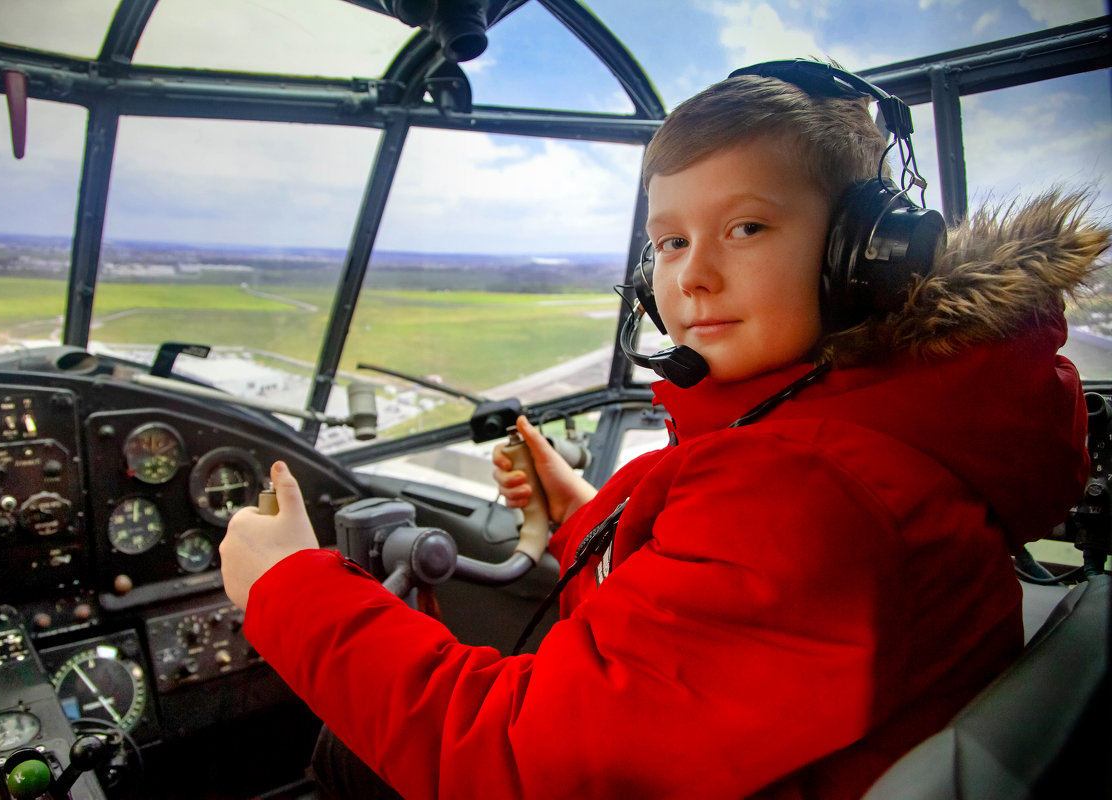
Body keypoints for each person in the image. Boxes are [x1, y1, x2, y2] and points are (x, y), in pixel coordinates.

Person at [219, 63, 1110, 799]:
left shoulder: (811, 492)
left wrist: (288, 589)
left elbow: (522, 763)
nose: (694, 279)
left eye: (746, 227)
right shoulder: (839, 421)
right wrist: (577, 511)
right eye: (672, 242)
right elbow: (695, 601)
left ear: (864, 254)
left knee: (349, 760)